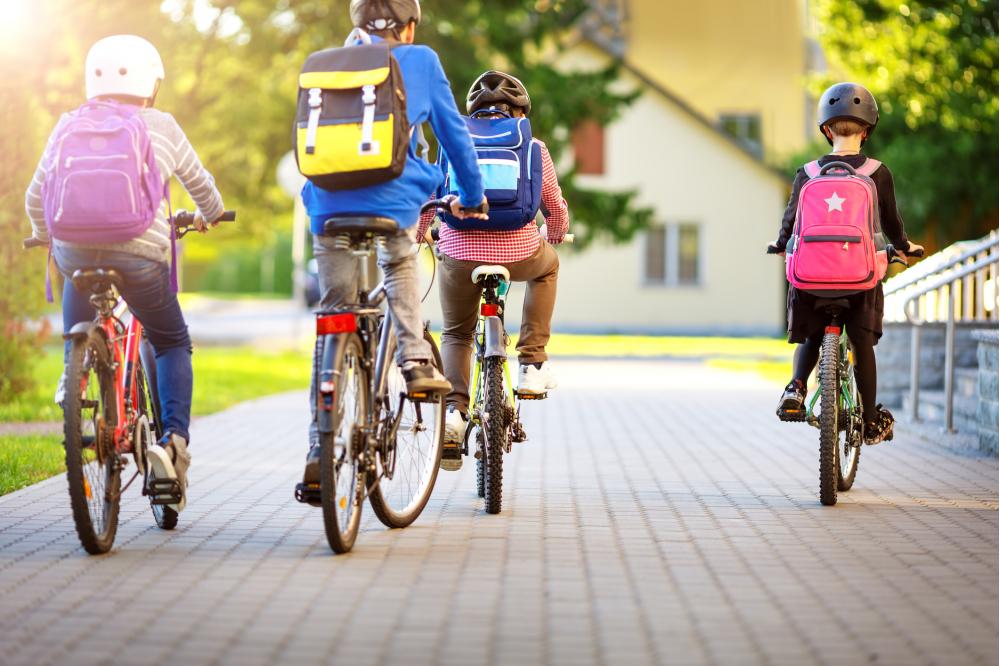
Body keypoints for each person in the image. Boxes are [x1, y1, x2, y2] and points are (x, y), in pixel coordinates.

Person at [24, 35, 226, 511]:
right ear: (150, 83)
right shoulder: (161, 124)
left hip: (74, 251)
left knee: (77, 275)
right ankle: (173, 444)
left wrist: (43, 232)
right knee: (172, 339)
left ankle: (72, 370)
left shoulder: (66, 125)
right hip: (141, 253)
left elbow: (37, 196)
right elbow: (201, 184)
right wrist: (209, 214)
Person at [300, 0, 487, 480]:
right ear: (408, 28)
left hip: (327, 206)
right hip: (394, 199)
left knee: (334, 315)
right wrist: (471, 195)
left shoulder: (324, 64)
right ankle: (416, 360)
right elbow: (453, 137)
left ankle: (319, 449)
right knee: (401, 260)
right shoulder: (420, 60)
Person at [417, 70, 570, 469]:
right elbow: (553, 202)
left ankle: (453, 412)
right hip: (519, 252)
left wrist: (420, 236)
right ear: (519, 110)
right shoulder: (532, 145)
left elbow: (431, 195)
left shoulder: (451, 141)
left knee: (457, 332)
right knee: (547, 268)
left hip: (459, 254)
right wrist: (554, 232)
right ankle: (533, 362)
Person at [769, 82, 923, 444]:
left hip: (811, 277)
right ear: (866, 130)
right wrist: (903, 247)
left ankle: (795, 388)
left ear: (826, 129)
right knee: (862, 346)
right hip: (859, 278)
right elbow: (891, 222)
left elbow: (790, 220)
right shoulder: (876, 171)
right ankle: (870, 419)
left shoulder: (806, 171)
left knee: (811, 331)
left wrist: (779, 245)